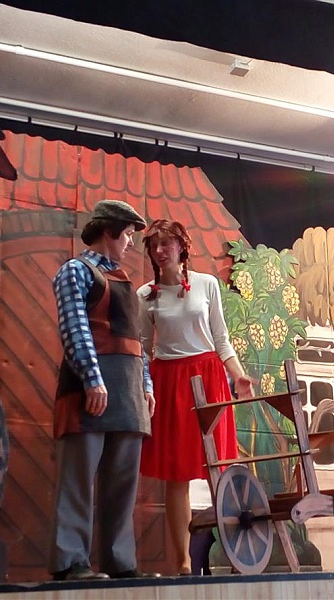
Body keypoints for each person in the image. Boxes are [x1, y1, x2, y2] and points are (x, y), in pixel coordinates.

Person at [47, 199, 158, 581]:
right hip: (89, 392)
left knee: (122, 485)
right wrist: (92, 378)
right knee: (78, 480)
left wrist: (145, 384)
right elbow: (74, 328)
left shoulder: (125, 280)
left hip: (127, 394)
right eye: (127, 234)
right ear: (109, 231)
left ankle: (120, 563)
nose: (130, 242)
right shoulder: (76, 271)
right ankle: (70, 562)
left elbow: (136, 339)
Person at [137, 219, 254, 576]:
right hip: (169, 382)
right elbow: (143, 347)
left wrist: (238, 376)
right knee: (176, 476)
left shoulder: (207, 284)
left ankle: (234, 555)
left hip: (208, 378)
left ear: (182, 246)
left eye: (167, 243)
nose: (160, 250)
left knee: (218, 468)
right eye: (154, 245)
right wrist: (146, 387)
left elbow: (221, 339)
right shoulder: (146, 295)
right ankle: (183, 564)